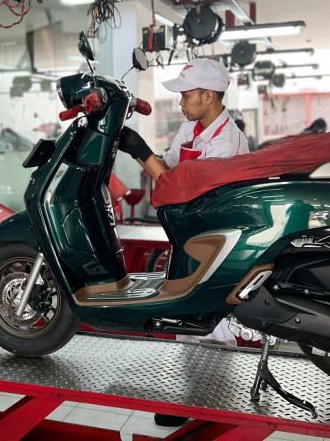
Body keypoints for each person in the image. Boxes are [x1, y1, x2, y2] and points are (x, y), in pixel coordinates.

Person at [118, 58, 248, 427]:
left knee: (211, 323)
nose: (181, 102)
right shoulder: (191, 129)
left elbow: (183, 187)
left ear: (208, 96)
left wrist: (141, 150)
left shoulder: (226, 141)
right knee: (186, 318)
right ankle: (194, 400)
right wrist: (142, 154)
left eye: (186, 95)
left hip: (217, 242)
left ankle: (217, 406)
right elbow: (169, 167)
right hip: (191, 235)